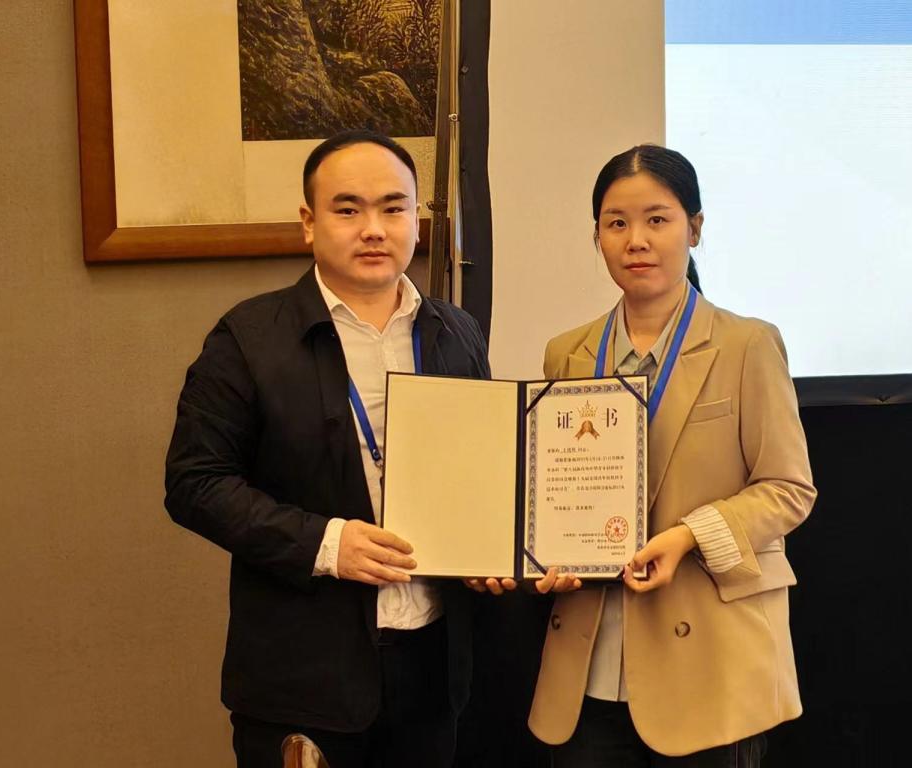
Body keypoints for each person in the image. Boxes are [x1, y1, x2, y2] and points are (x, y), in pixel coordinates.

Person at [474, 144, 816, 766]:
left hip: (710, 662)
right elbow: (555, 494)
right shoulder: (567, 353)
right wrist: (543, 552)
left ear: (695, 227)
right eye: (617, 223)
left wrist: (688, 536)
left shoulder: (747, 345)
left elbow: (788, 489)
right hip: (590, 665)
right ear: (597, 236)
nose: (637, 240)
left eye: (657, 219)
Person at [164, 129, 490, 768]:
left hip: (433, 665)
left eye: (393, 208)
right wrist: (326, 544)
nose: (374, 229)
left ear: (417, 221)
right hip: (303, 678)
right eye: (348, 209)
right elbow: (194, 483)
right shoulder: (248, 337)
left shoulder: (456, 332)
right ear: (309, 222)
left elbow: (481, 467)